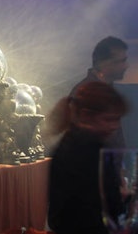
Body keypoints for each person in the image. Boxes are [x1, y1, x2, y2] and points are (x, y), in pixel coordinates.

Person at [47, 81, 128, 234]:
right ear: (85, 115)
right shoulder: (93, 150)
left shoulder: (67, 142)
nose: (115, 126)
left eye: (117, 119)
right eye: (109, 119)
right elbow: (108, 208)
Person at [70, 36, 129, 149]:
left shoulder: (107, 90)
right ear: (105, 63)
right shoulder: (84, 93)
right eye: (122, 61)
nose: (126, 65)